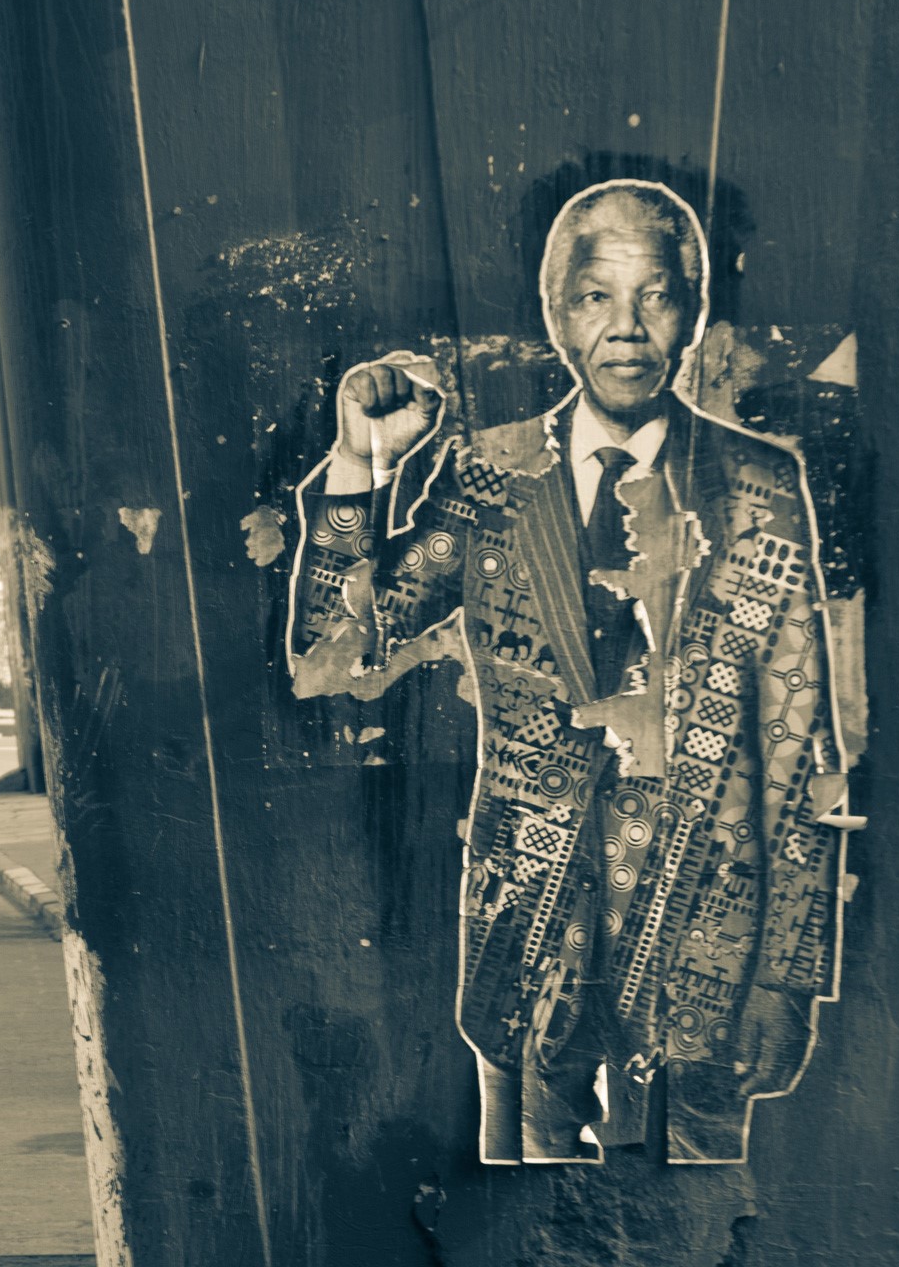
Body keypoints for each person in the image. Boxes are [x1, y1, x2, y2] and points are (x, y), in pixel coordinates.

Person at [289, 180, 857, 1164]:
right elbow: (345, 641)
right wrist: (354, 464)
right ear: (557, 312)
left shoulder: (762, 484)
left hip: (705, 959)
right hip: (529, 950)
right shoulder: (486, 473)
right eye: (597, 295)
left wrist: (787, 973)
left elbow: (800, 748)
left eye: (657, 294)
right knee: (528, 1217)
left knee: (692, 1218)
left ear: (693, 311)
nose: (628, 327)